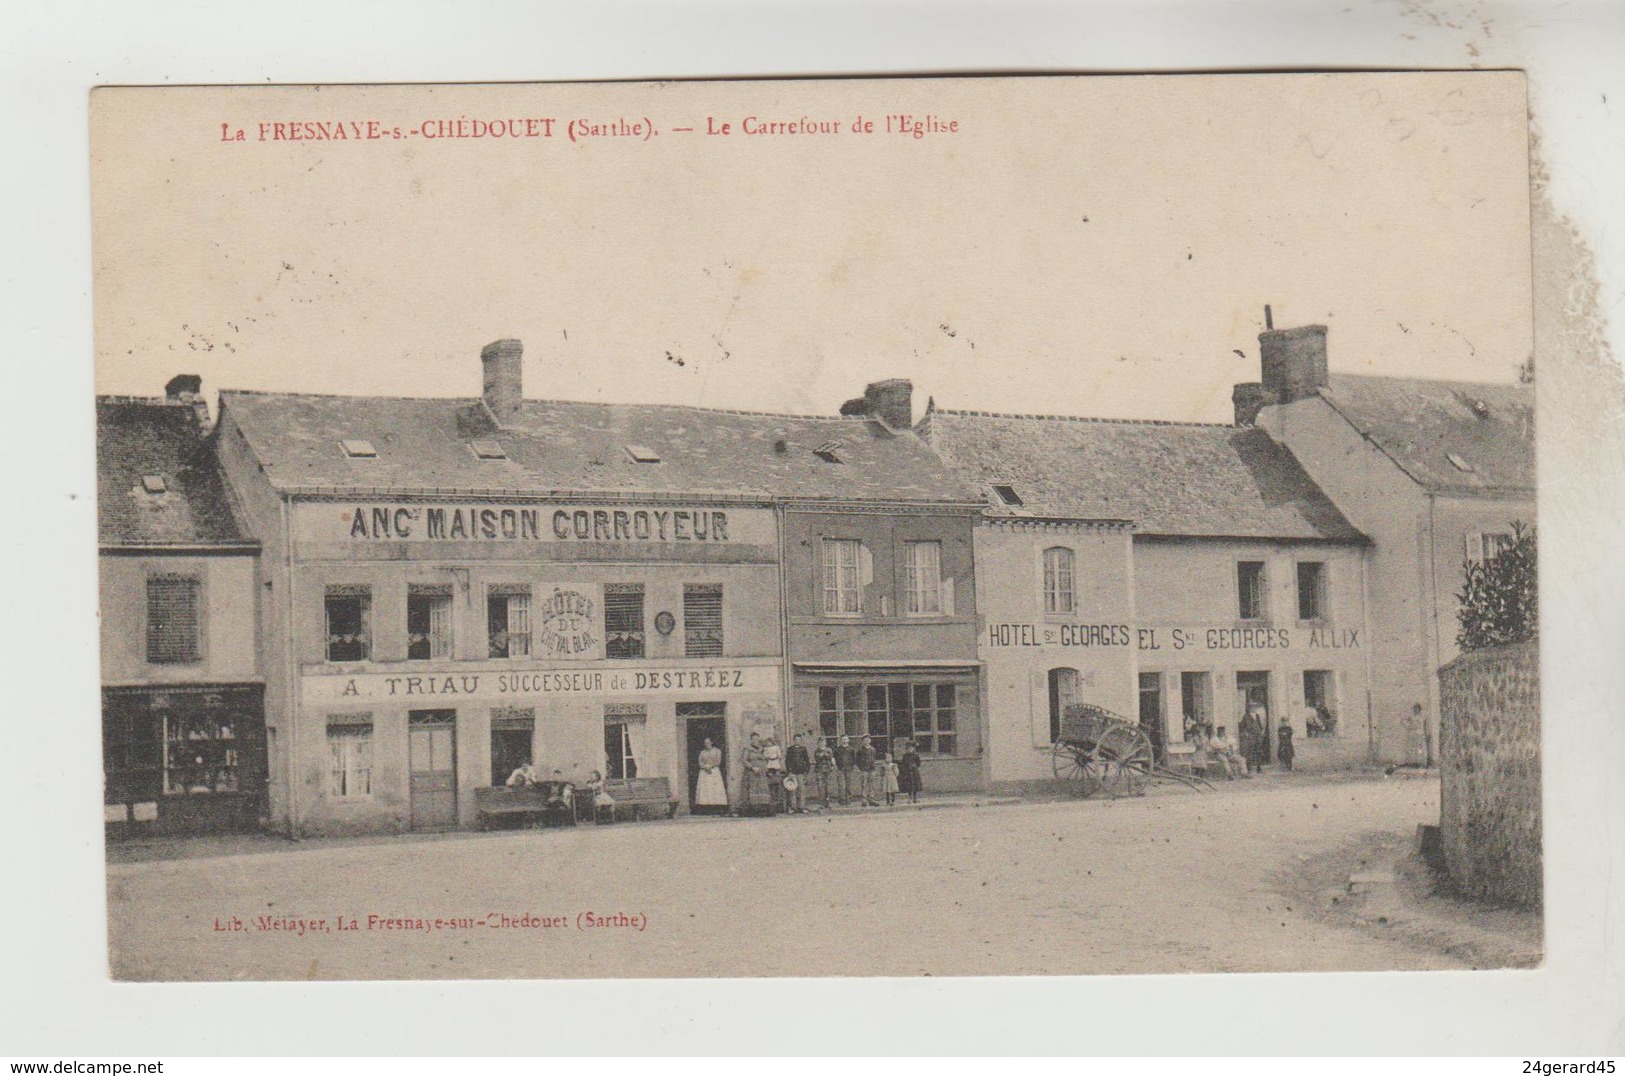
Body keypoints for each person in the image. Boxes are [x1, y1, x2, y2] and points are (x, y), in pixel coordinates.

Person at [694, 737, 728, 814]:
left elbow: (718, 761)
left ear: (711, 743)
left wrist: (711, 766)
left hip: (714, 771)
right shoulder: (702, 752)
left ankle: (717, 808)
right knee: (706, 789)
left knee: (715, 789)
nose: (707, 745)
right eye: (705, 743)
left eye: (708, 743)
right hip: (704, 772)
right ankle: (706, 808)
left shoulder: (717, 751)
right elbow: (700, 762)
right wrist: (705, 766)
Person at [783, 733, 811, 814]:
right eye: (796, 740)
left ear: (801, 741)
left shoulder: (803, 749)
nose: (797, 741)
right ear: (794, 740)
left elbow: (807, 760)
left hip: (801, 772)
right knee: (793, 790)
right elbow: (787, 761)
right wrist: (789, 771)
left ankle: (802, 807)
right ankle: (793, 807)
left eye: (799, 740)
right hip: (793, 773)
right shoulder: (790, 749)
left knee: (802, 790)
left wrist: (807, 770)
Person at [741, 732, 768, 814]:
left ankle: (762, 809)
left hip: (761, 773)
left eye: (757, 739)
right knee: (752, 789)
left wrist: (764, 766)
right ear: (751, 740)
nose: (756, 741)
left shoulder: (761, 749)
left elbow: (765, 759)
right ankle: (752, 810)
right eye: (754, 739)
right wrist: (752, 767)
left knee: (762, 789)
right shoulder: (747, 749)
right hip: (751, 773)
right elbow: (744, 760)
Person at [762, 735, 785, 813]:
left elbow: (779, 756)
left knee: (777, 786)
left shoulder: (776, 748)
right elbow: (765, 756)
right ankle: (771, 804)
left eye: (770, 742)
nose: (769, 744)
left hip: (775, 766)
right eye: (767, 743)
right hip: (769, 767)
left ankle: (778, 804)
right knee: (770, 786)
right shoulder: (766, 749)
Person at [855, 735, 879, 806]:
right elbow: (857, 760)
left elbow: (874, 758)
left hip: (871, 769)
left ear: (870, 741)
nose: (867, 741)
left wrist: (873, 766)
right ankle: (864, 799)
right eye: (865, 740)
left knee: (871, 784)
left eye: (868, 740)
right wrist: (861, 768)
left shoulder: (872, 749)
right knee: (864, 784)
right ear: (862, 741)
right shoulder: (860, 750)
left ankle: (871, 798)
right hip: (864, 769)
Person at [813, 738, 835, 809]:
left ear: (825, 743)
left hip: (828, 770)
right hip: (820, 770)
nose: (822, 743)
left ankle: (828, 803)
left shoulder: (829, 750)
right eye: (820, 742)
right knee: (821, 787)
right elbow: (818, 758)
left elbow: (831, 758)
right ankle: (822, 803)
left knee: (828, 787)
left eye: (823, 742)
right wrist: (824, 755)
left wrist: (832, 765)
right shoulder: (817, 750)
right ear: (818, 743)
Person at [833, 735, 855, 806]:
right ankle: (842, 800)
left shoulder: (851, 749)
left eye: (846, 739)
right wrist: (836, 766)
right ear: (841, 740)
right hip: (840, 769)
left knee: (848, 785)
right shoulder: (838, 749)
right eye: (843, 739)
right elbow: (834, 758)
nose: (844, 741)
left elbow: (854, 759)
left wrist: (851, 765)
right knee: (841, 785)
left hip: (848, 769)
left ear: (848, 740)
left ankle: (848, 800)